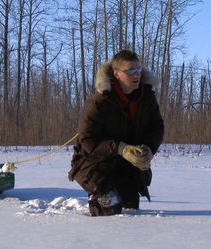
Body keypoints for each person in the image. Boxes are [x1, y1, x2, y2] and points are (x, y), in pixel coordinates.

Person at [68, 50, 164, 216]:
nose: (136, 75)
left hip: (127, 167)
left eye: (138, 70)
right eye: (130, 71)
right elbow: (88, 140)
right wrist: (121, 148)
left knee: (131, 209)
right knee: (110, 209)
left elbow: (156, 127)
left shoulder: (147, 97)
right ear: (117, 74)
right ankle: (98, 201)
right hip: (95, 165)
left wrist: (149, 148)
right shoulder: (99, 101)